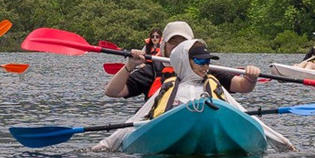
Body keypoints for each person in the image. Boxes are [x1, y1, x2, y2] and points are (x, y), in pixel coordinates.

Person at [105, 21, 259, 101]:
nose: (177, 47)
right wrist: (129, 66)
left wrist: (251, 78)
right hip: (162, 122)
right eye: (173, 43)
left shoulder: (204, 68)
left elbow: (243, 87)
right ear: (164, 45)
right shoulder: (152, 70)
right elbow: (113, 92)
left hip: (200, 114)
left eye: (182, 43)